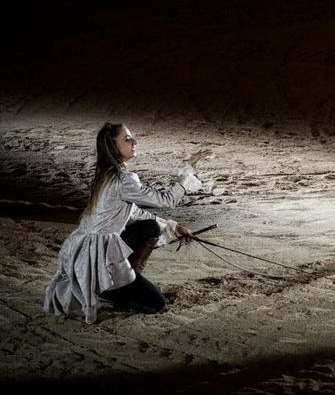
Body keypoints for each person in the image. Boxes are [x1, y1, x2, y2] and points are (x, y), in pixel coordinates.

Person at [43, 122, 213, 324]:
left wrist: (174, 228)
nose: (134, 142)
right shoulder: (123, 180)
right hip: (98, 261)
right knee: (158, 304)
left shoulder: (105, 175)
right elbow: (166, 200)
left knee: (150, 227)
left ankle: (124, 283)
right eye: (127, 138)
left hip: (84, 253)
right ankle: (116, 289)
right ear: (114, 147)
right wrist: (189, 168)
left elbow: (134, 212)